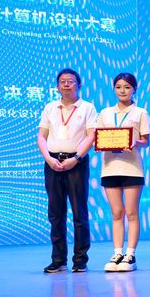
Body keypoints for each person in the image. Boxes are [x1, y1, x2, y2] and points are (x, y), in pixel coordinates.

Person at [37, 68, 97, 273]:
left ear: (79, 85)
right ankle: (58, 259)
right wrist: (48, 159)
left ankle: (80, 260)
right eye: (62, 81)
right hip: (53, 163)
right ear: (57, 86)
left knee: (79, 213)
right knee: (55, 214)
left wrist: (76, 158)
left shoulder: (87, 108)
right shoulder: (50, 108)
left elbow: (91, 136)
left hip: (76, 163)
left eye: (70, 81)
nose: (66, 84)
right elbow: (41, 136)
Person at [97, 73, 150, 272]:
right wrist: (102, 144)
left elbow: (146, 141)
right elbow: (98, 137)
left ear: (134, 89)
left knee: (131, 212)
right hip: (110, 167)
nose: (122, 90)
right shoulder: (105, 113)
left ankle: (130, 255)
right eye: (118, 87)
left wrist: (136, 142)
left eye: (127, 87)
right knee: (116, 213)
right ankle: (117, 253)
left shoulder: (141, 113)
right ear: (114, 89)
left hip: (132, 168)